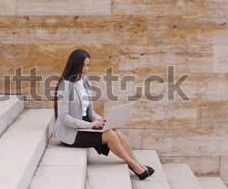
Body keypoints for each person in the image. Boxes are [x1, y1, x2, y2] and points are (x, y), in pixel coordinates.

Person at [53, 49, 154, 180]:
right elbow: (63, 117)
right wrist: (89, 125)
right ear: (74, 64)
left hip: (84, 125)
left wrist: (101, 120)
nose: (86, 69)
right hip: (71, 132)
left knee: (115, 130)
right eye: (83, 65)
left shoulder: (85, 82)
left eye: (88, 65)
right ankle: (133, 165)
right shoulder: (65, 86)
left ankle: (138, 163)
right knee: (110, 134)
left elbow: (90, 112)